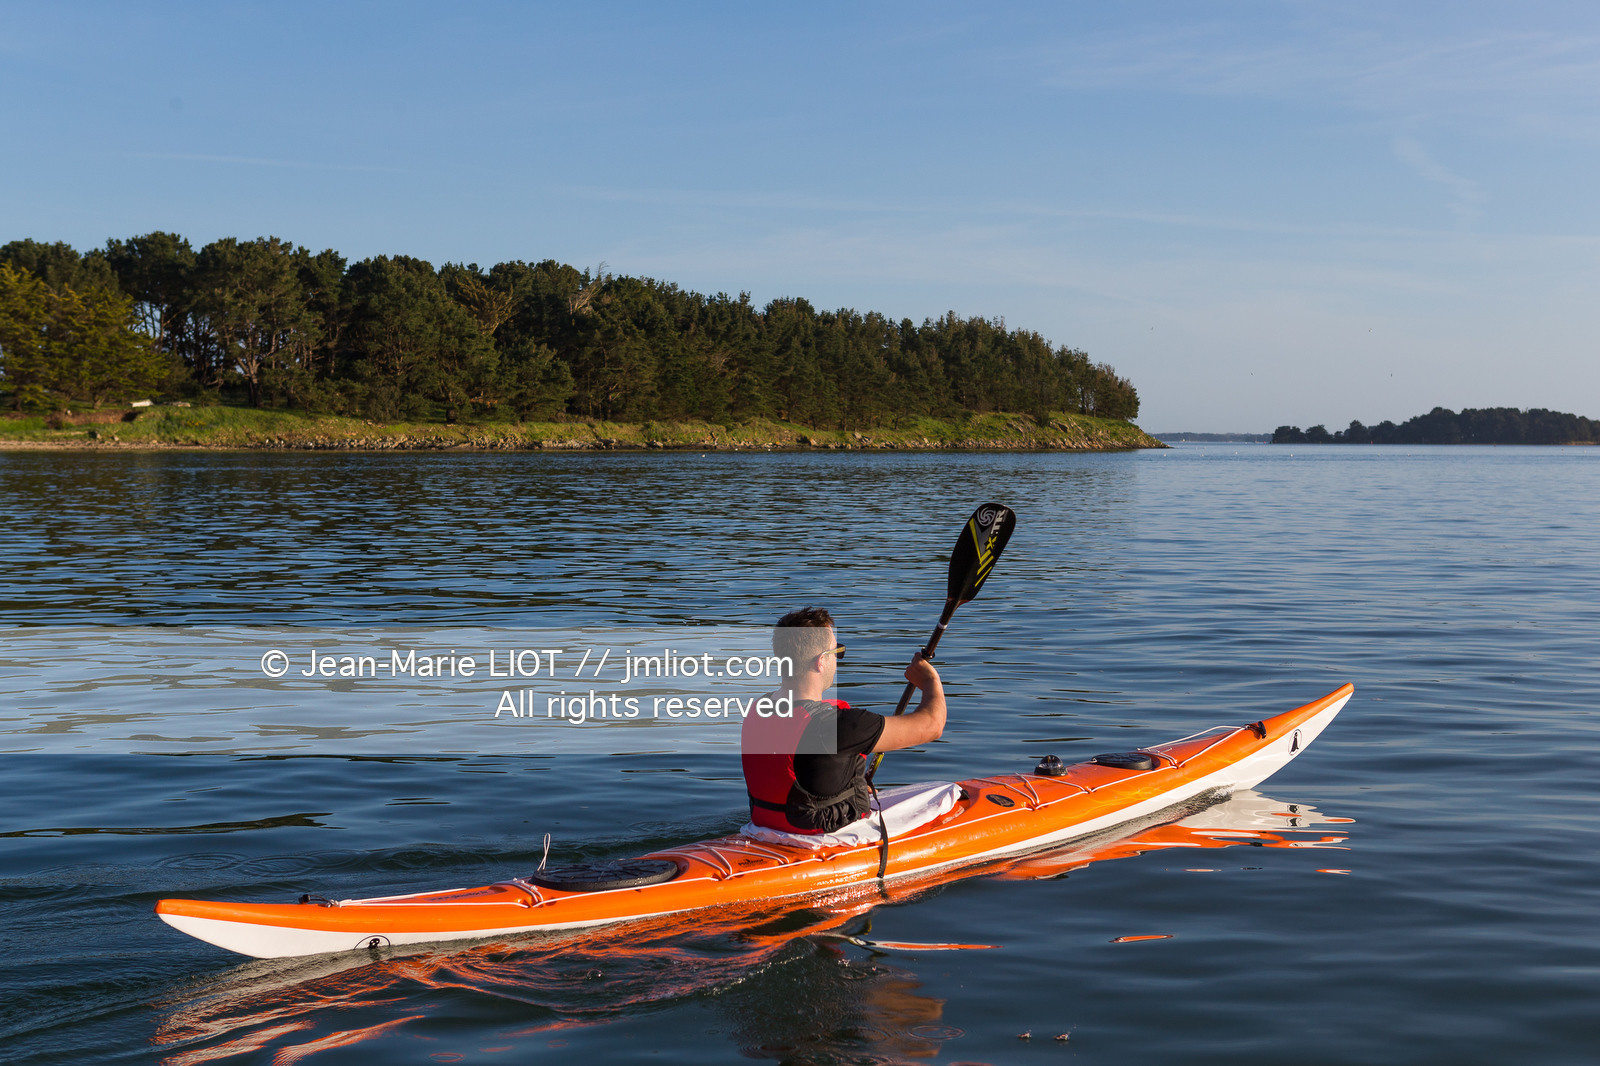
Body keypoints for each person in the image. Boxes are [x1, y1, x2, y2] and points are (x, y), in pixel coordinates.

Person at [741, 606, 946, 835]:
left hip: (762, 831)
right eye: (837, 651)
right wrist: (930, 681)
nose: (838, 659)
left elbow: (805, 771)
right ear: (821, 661)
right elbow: (933, 725)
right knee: (947, 792)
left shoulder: (758, 709)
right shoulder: (838, 725)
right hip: (820, 842)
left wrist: (845, 784)